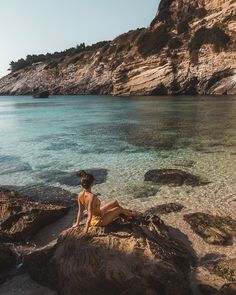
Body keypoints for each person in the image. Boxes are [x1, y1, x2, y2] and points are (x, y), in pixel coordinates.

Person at [72, 170, 141, 236]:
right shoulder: (92, 197)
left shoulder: (80, 195)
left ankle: (125, 214)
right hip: (98, 220)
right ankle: (133, 214)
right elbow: (89, 214)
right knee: (119, 209)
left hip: (98, 213)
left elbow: (80, 211)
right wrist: (85, 230)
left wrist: (77, 223)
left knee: (114, 202)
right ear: (92, 183)